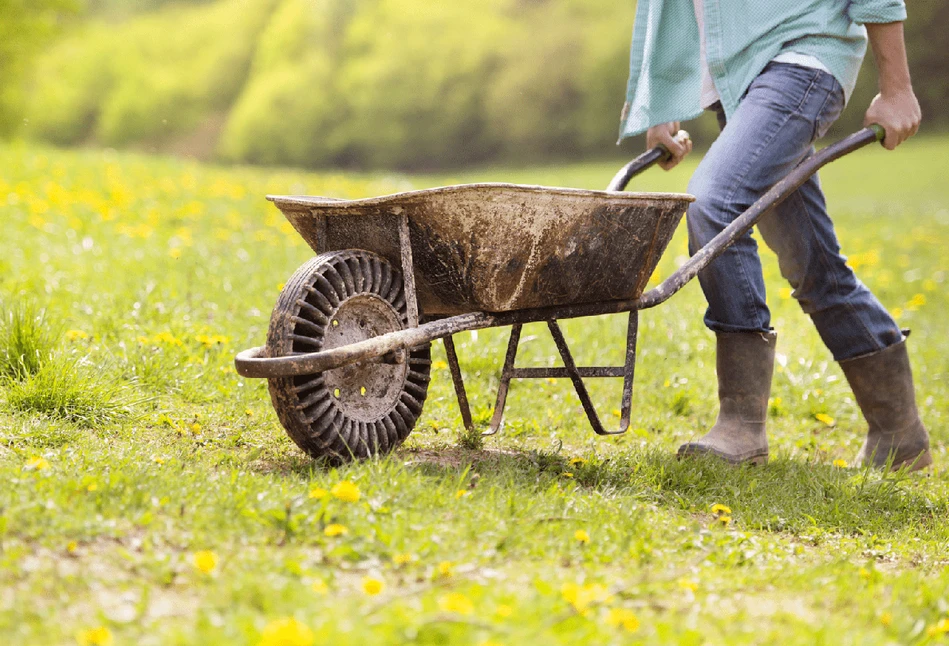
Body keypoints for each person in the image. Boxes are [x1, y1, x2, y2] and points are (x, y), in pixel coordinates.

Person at [618, 0, 931, 471]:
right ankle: (899, 434)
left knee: (714, 204)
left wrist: (897, 88)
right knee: (813, 263)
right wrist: (661, 105)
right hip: (736, 82)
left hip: (801, 59)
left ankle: (741, 425)